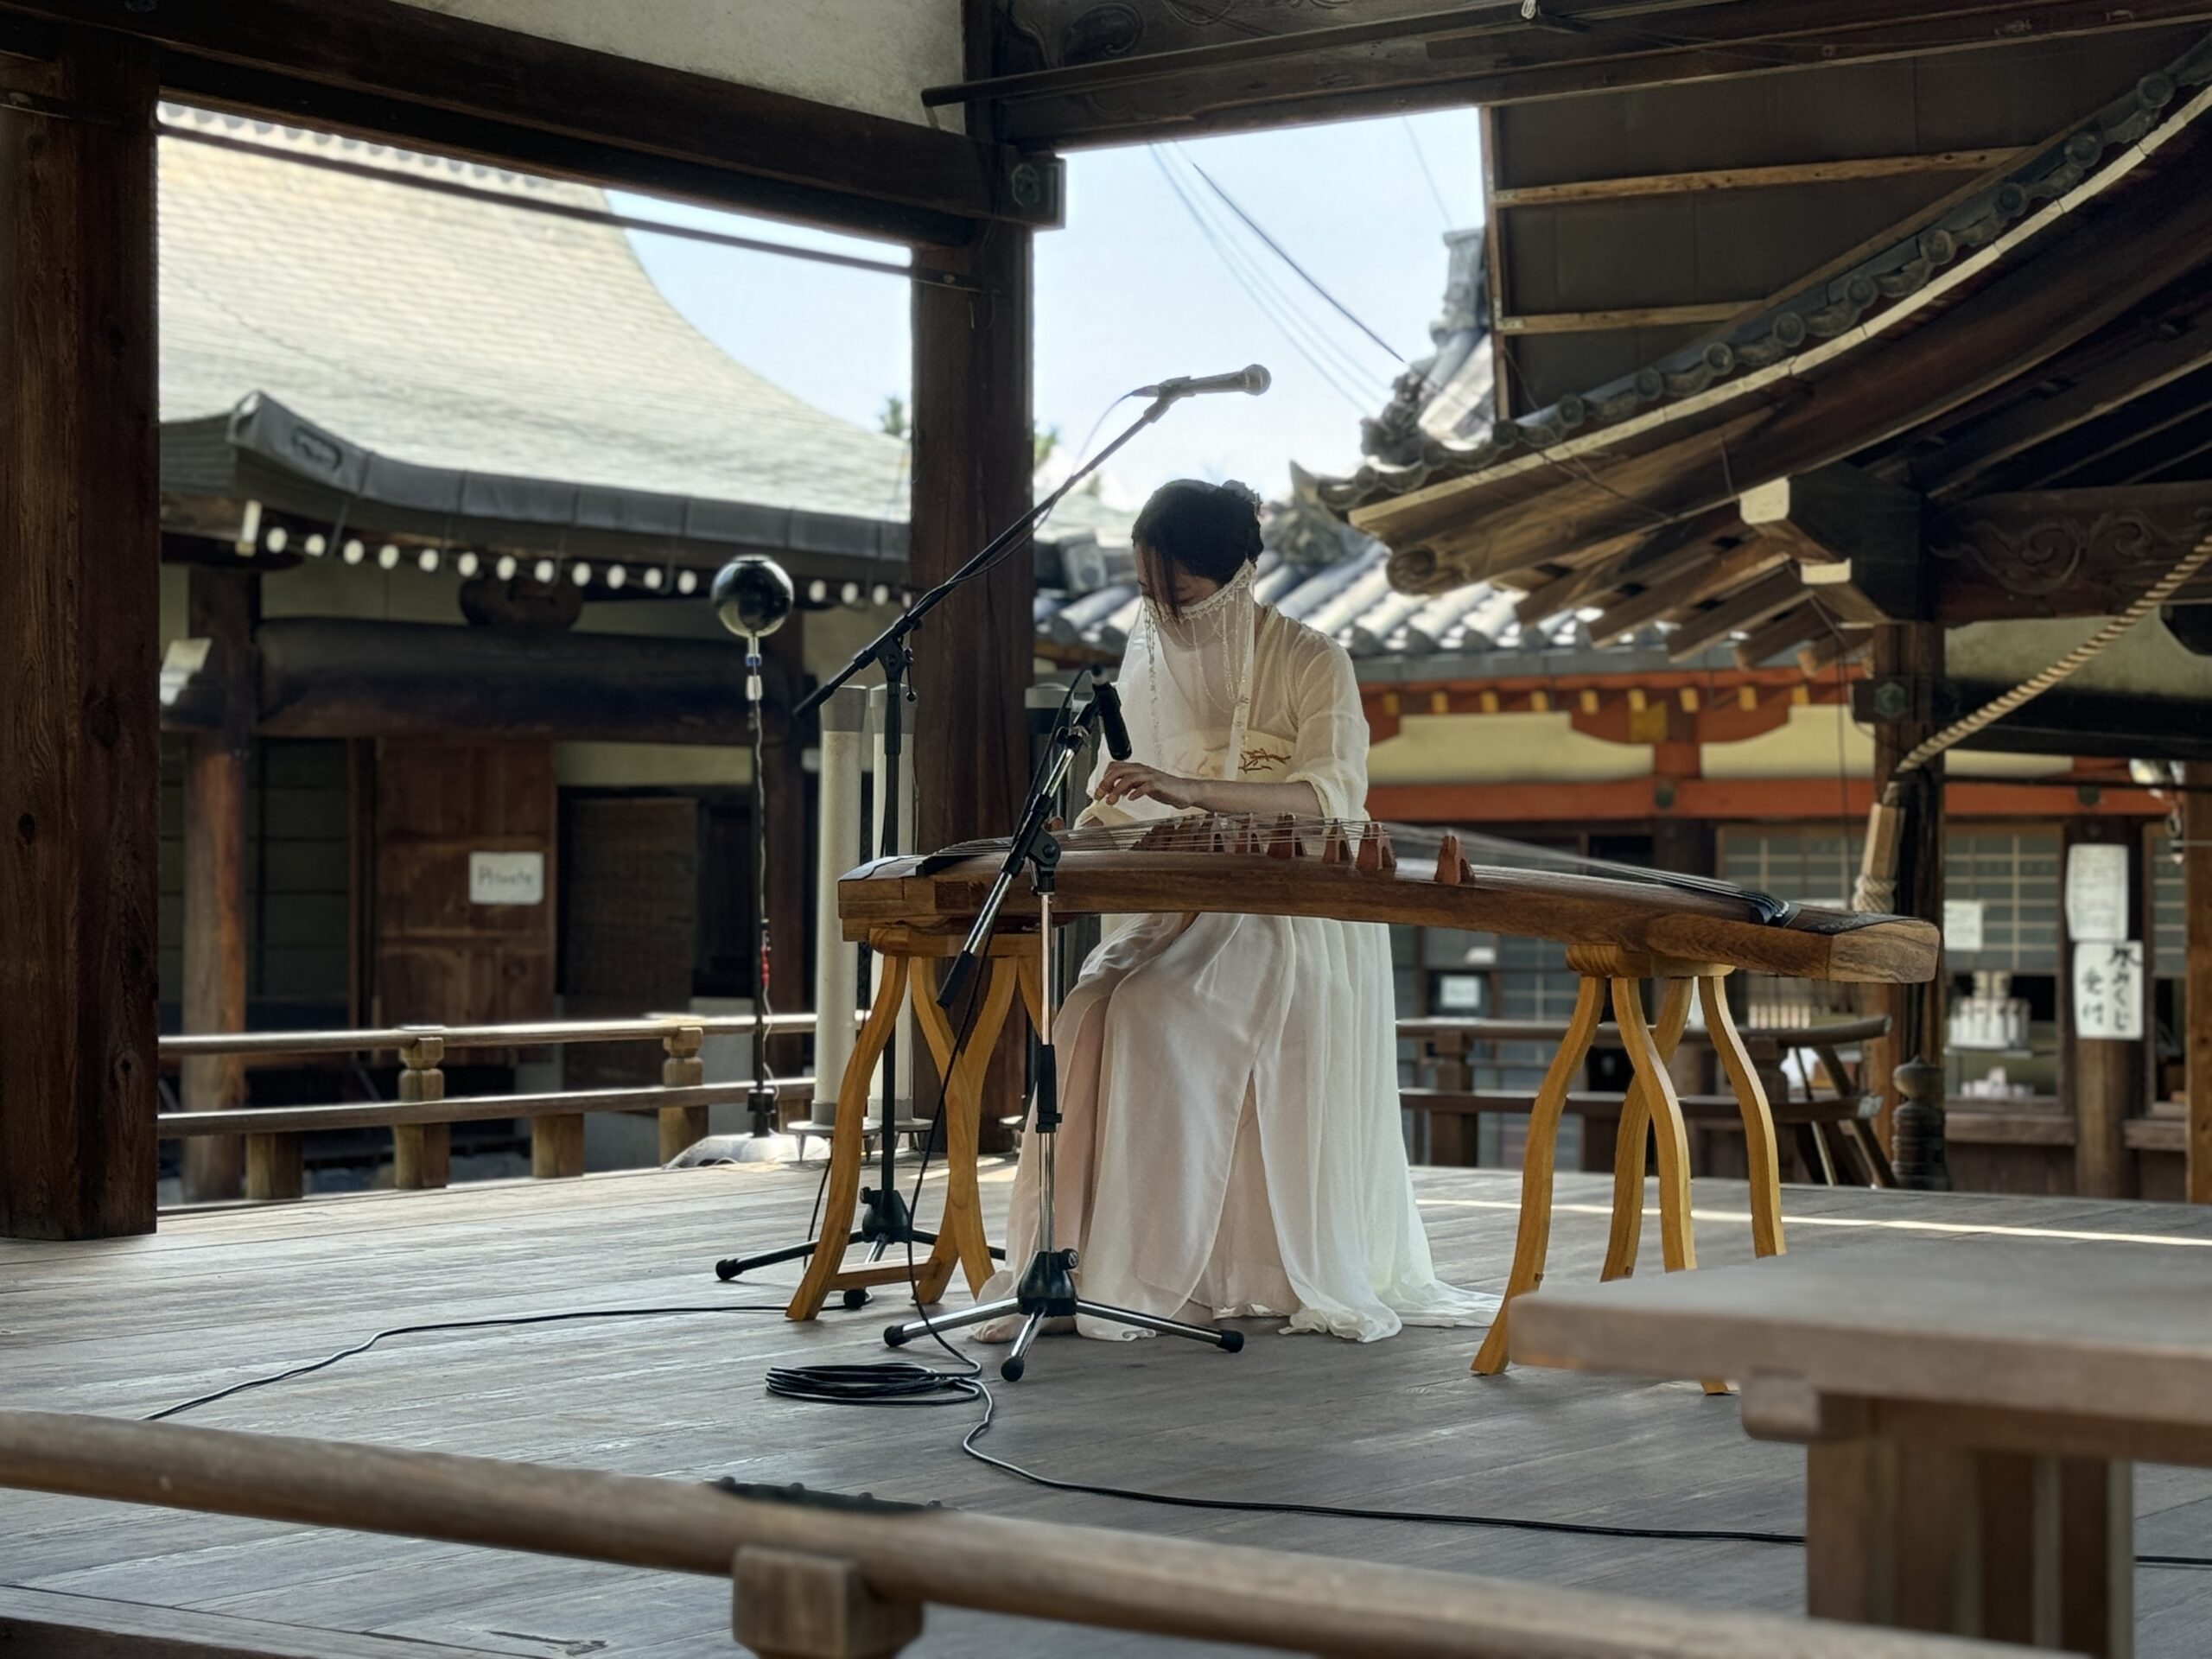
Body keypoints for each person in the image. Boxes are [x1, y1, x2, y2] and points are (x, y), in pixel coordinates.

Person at [974, 479, 1497, 1343]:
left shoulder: (1310, 657)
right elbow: (1131, 801)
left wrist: (1187, 786)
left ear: (1238, 574)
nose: (1167, 619)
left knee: (1151, 1012)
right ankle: (1062, 1263)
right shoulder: (1145, 665)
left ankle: (1163, 1276)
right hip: (1182, 899)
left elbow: (1330, 794)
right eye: (1150, 598)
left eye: (1183, 595)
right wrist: (1098, 823)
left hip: (1288, 910)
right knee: (1080, 1019)